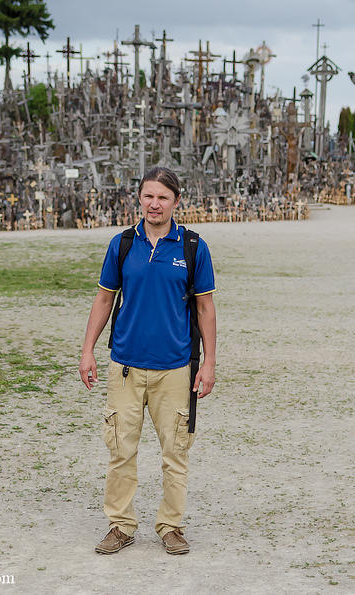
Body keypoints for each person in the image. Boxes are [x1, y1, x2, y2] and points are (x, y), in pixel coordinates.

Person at [78, 167, 217, 556]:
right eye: (148, 196)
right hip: (125, 365)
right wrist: (87, 350)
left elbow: (205, 308)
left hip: (175, 368)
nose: (154, 204)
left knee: (175, 452)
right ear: (138, 198)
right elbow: (104, 298)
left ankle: (171, 526)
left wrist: (208, 363)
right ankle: (120, 525)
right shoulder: (123, 244)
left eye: (163, 197)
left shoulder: (192, 247)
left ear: (176, 201)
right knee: (121, 449)